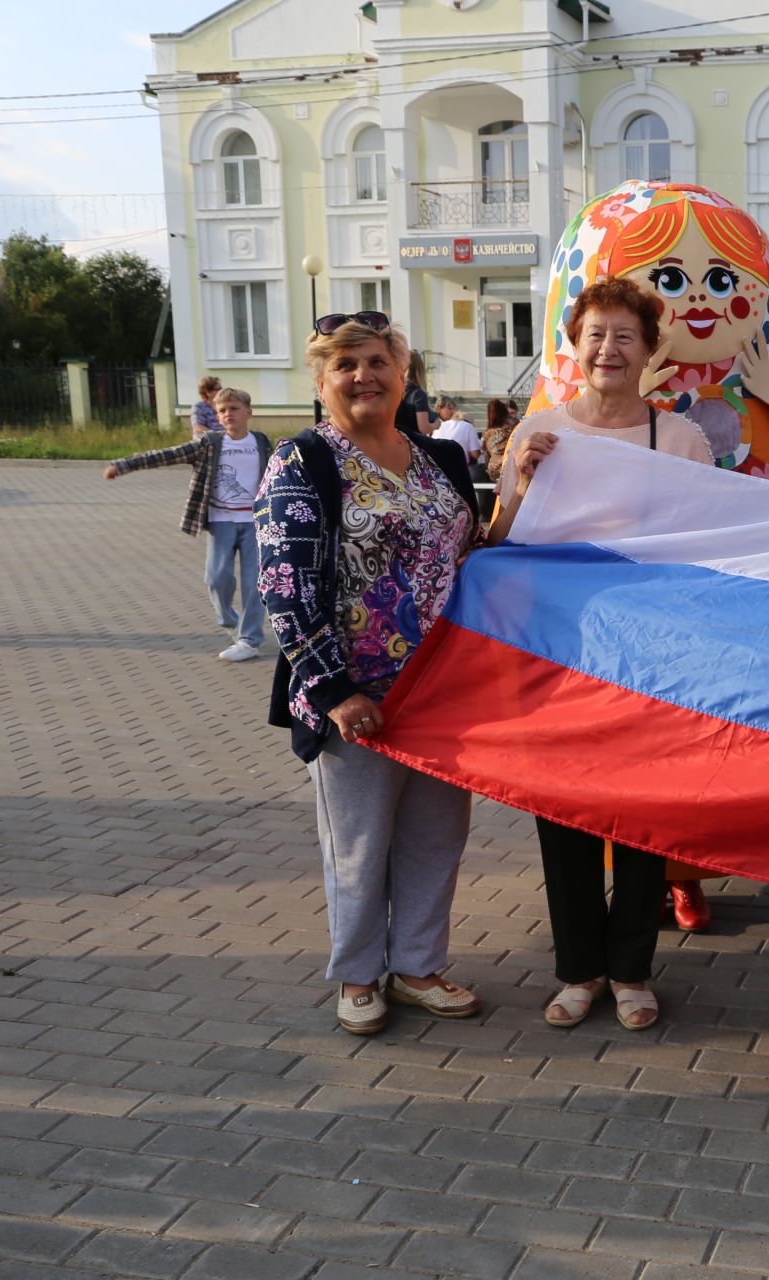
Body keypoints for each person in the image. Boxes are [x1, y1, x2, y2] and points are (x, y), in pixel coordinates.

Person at [491, 277, 714, 1033]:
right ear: (573, 346)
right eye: (594, 334)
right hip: (557, 656)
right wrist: (521, 482)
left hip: (649, 657)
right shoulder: (540, 433)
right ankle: (578, 969)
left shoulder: (681, 441)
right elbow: (495, 545)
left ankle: (632, 971)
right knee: (565, 815)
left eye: (624, 335)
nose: (608, 348)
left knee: (643, 813)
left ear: (651, 350)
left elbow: (711, 547)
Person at [256, 312, 483, 1036]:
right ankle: (358, 975)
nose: (364, 376)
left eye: (377, 361)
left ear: (403, 371)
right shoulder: (303, 461)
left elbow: (472, 557)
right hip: (358, 698)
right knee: (358, 842)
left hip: (444, 693)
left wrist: (528, 479)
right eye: (345, 365)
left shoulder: (440, 459)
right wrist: (332, 692)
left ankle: (418, 967)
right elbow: (284, 585)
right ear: (322, 383)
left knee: (434, 837)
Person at [104, 386, 272, 662]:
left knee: (256, 583)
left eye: (234, 408)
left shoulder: (262, 443)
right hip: (221, 521)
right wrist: (122, 465)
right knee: (217, 579)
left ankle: (249, 639)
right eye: (222, 410)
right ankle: (231, 622)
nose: (228, 414)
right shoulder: (210, 444)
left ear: (248, 412)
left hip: (255, 522)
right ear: (217, 417)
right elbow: (165, 455)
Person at [432, 394, 485, 481]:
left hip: (438, 471)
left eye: (453, 408)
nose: (452, 411)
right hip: (458, 471)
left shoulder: (435, 426)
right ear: (439, 409)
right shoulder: (434, 426)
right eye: (449, 408)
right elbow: (475, 454)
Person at [481, 397, 519, 482]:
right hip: (511, 466)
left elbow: (485, 453)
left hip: (494, 469)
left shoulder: (488, 433)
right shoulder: (514, 427)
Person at [396, 349, 432, 436]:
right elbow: (423, 428)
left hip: (396, 441)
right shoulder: (418, 394)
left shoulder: (394, 391)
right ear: (420, 369)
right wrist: (436, 425)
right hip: (413, 443)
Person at [190, 375, 222, 440]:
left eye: (221, 388)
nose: (221, 391)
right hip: (206, 442)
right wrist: (218, 436)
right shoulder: (199, 406)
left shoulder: (223, 404)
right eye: (218, 389)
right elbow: (198, 427)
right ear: (207, 392)